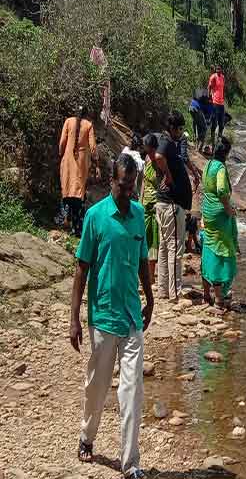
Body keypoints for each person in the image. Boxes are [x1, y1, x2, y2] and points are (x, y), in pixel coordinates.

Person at [71, 153, 154, 479]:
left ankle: (130, 463)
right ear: (111, 182)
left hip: (132, 318)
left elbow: (141, 261)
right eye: (123, 187)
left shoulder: (138, 214)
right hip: (103, 317)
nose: (128, 194)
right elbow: (81, 269)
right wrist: (74, 317)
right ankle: (86, 437)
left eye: (132, 187)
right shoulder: (95, 216)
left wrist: (150, 299)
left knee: (132, 392)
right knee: (97, 386)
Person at [153, 112, 192, 302]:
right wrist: (168, 175)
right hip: (170, 205)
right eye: (180, 128)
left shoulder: (168, 141)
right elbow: (159, 156)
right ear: (173, 128)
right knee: (175, 249)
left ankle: (162, 290)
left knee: (164, 247)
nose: (181, 132)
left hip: (164, 204)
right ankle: (174, 292)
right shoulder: (166, 141)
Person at [201, 137, 239, 309]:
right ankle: (219, 297)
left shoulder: (208, 165)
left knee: (208, 246)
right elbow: (222, 191)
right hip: (219, 213)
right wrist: (228, 209)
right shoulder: (221, 168)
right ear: (226, 153)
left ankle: (206, 294)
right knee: (223, 251)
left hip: (207, 211)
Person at [58, 106, 98, 237]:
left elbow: (62, 142)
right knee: (78, 194)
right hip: (81, 165)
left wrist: (61, 153)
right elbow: (93, 148)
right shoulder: (88, 125)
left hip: (68, 162)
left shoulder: (68, 122)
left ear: (75, 112)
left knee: (66, 191)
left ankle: (63, 222)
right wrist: (96, 164)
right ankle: (77, 228)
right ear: (86, 114)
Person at [141, 134, 160, 282]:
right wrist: (140, 202)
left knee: (154, 241)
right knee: (143, 240)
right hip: (145, 206)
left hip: (156, 207)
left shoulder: (160, 162)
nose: (149, 153)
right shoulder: (148, 159)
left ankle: (151, 276)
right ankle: (143, 274)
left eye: (150, 150)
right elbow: (143, 184)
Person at [90, 34, 111, 126]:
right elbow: (92, 63)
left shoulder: (105, 53)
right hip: (98, 79)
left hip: (105, 80)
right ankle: (98, 118)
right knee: (101, 98)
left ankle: (104, 118)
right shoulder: (97, 51)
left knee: (106, 98)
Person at [121, 134, 145, 199]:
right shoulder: (136, 155)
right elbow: (141, 168)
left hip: (121, 180)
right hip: (130, 185)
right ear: (138, 147)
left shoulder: (125, 150)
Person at [207, 65, 226, 147]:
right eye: (217, 69)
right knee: (214, 123)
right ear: (216, 69)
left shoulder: (222, 77)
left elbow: (222, 88)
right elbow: (209, 87)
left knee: (221, 124)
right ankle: (213, 143)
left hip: (221, 103)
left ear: (221, 69)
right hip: (215, 102)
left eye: (219, 69)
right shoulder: (213, 77)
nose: (218, 70)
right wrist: (209, 98)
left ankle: (219, 140)